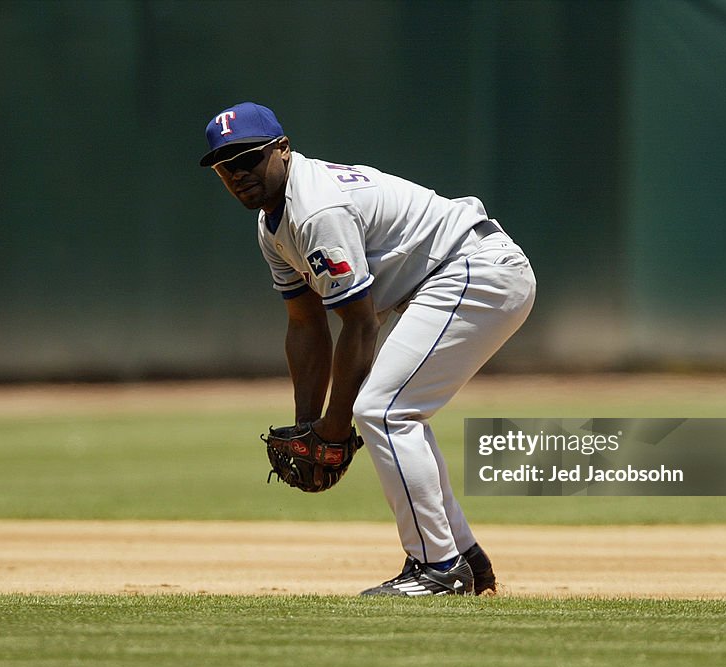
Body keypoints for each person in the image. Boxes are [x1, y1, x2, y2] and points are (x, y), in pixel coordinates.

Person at [200, 102, 536, 596]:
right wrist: (307, 423)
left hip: (476, 270)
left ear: (282, 149)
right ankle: (462, 558)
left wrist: (334, 431)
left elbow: (359, 325)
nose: (237, 173)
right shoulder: (274, 225)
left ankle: (438, 569)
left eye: (248, 157)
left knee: (383, 410)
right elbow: (306, 323)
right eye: (224, 165)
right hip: (453, 276)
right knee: (397, 412)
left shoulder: (316, 210)